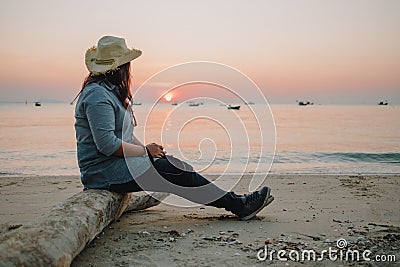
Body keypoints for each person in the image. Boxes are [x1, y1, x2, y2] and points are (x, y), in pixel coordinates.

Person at [74, 35, 274, 220]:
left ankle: (237, 204)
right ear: (120, 67)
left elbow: (125, 136)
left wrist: (148, 154)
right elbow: (107, 145)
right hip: (102, 172)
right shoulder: (97, 96)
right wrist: (145, 151)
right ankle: (239, 205)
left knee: (177, 168)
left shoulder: (110, 92)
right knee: (174, 171)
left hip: (117, 165)